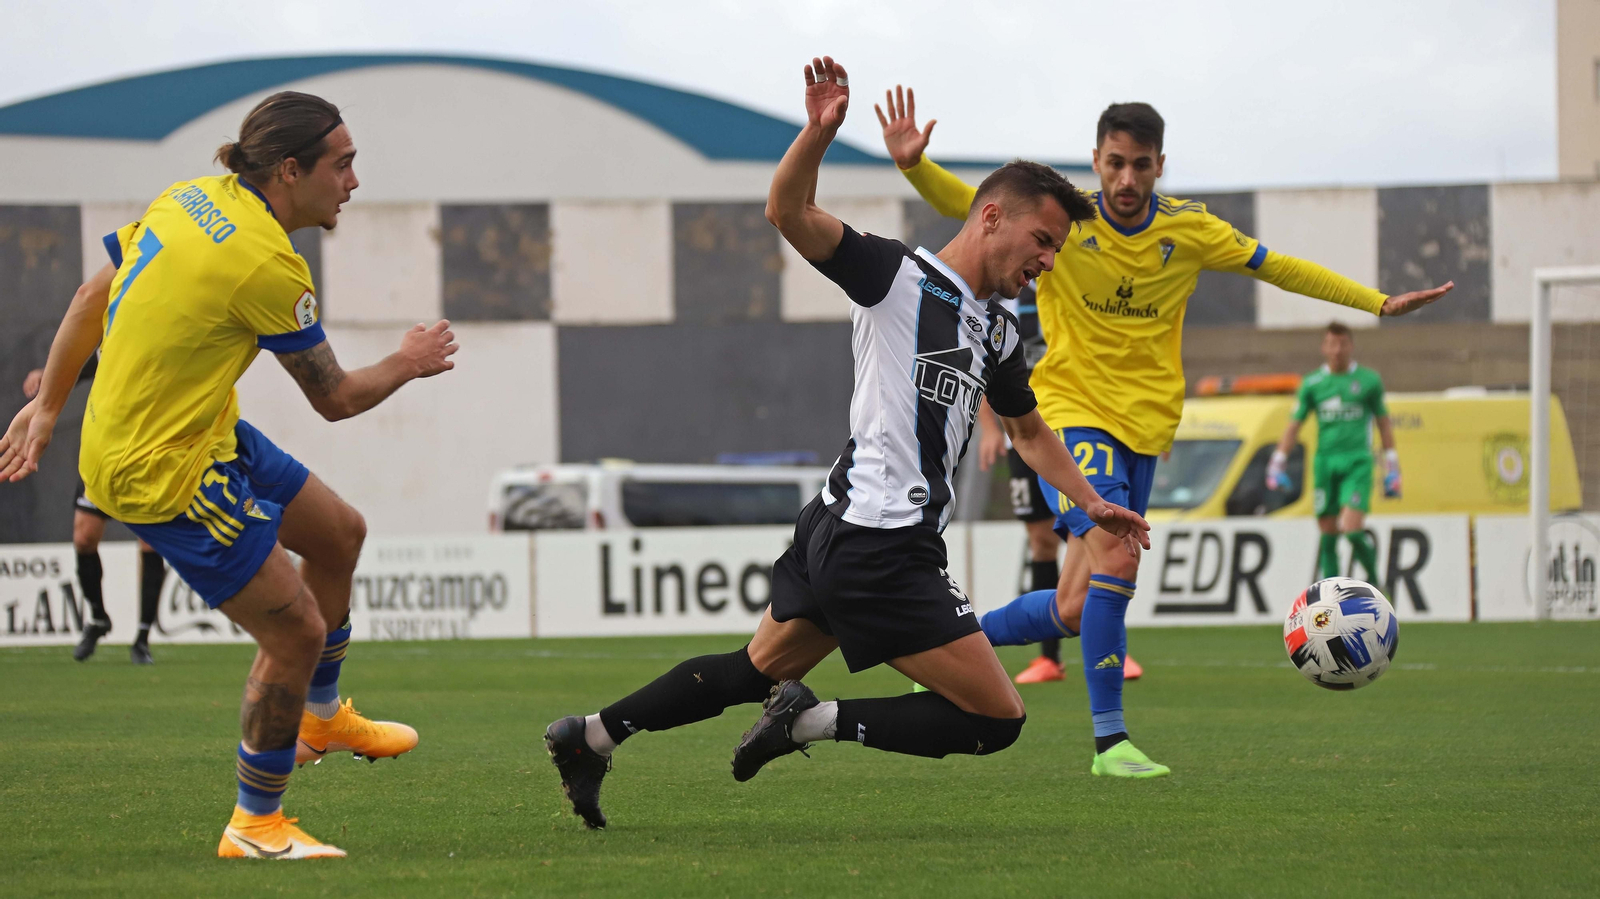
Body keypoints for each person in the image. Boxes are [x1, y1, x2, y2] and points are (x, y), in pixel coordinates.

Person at [543, 56, 1149, 830]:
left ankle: (591, 735)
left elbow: (1028, 430)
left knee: (747, 669)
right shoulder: (895, 276)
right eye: (1044, 239)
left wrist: (1093, 503)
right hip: (879, 543)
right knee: (997, 717)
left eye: (1058, 250)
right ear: (990, 216)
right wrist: (817, 134)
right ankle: (806, 721)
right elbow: (787, 210)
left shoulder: (997, 329)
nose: (1049, 262)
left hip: (844, 524)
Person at [879, 89, 1452, 777]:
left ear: (1159, 167)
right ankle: (1109, 742)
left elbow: (1280, 267)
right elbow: (975, 207)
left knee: (1071, 604)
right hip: (1070, 413)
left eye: (1141, 165)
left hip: (1146, 430)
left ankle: (939, 648)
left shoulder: (1190, 230)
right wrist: (916, 167)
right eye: (1115, 163)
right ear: (1096, 160)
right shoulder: (1069, 225)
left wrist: (1377, 302)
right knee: (1119, 558)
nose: (1126, 180)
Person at [0, 91, 457, 859]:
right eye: (342, 164)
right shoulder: (269, 265)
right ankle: (257, 823)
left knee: (340, 533)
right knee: (295, 630)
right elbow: (338, 399)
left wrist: (49, 405)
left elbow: (90, 295)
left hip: (201, 428)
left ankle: (321, 715)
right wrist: (408, 362)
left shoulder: (191, 197)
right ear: (289, 169)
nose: (353, 181)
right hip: (160, 469)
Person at [24, 359, 166, 664]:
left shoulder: (156, 339)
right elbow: (75, 365)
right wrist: (46, 375)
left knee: (151, 542)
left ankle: (142, 638)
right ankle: (99, 618)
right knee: (84, 537)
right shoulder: (110, 335)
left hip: (148, 457)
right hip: (103, 455)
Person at [1267, 322, 1398, 582]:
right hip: (1325, 463)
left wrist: (1392, 465)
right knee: (1327, 534)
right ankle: (1333, 596)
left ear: (1350, 346)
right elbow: (1295, 424)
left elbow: (1383, 422)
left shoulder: (1368, 380)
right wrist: (1278, 460)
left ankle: (1376, 583)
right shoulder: (1312, 383)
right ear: (1323, 347)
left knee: (1351, 529)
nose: (1337, 350)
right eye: (1331, 344)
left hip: (1357, 462)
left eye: (1342, 344)